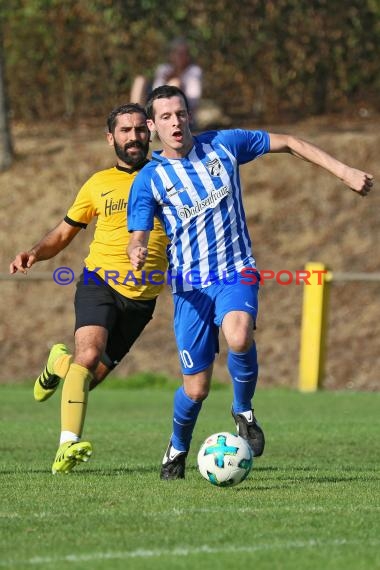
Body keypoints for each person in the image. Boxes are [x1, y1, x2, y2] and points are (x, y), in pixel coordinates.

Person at [126, 85, 374, 480]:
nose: (176, 122)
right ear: (153, 126)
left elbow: (290, 142)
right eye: (166, 117)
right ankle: (176, 448)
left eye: (181, 113)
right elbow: (137, 234)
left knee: (239, 337)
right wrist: (136, 250)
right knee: (195, 390)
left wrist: (343, 172)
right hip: (190, 288)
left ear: (190, 116)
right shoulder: (149, 180)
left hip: (235, 270)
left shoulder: (224, 145)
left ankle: (243, 409)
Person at [9, 103, 168, 475]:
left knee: (88, 376)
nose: (134, 137)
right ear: (110, 138)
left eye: (139, 130)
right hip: (100, 282)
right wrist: (35, 252)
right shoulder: (98, 184)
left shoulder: (170, 175)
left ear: (150, 133)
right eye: (124, 131)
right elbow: (64, 232)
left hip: (142, 300)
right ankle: (67, 446)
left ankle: (56, 363)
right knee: (89, 355)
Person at [130, 38, 202, 126]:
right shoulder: (163, 68)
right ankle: (136, 121)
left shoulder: (194, 71)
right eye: (176, 53)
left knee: (175, 83)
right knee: (140, 80)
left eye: (183, 53)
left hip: (182, 113)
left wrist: (178, 79)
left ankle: (161, 124)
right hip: (157, 106)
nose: (179, 56)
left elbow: (194, 100)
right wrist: (167, 79)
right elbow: (156, 92)